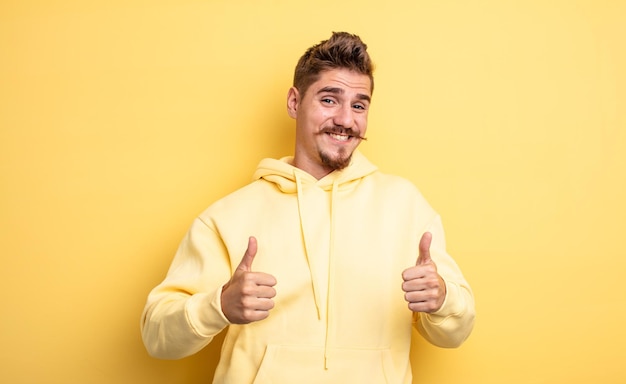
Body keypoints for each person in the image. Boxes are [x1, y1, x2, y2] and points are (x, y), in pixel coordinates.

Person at [141, 31, 475, 383]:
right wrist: (218, 306)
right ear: (294, 103)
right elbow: (156, 336)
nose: (346, 119)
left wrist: (442, 299)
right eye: (330, 100)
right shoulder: (229, 216)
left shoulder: (407, 207)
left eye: (359, 105)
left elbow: (456, 333)